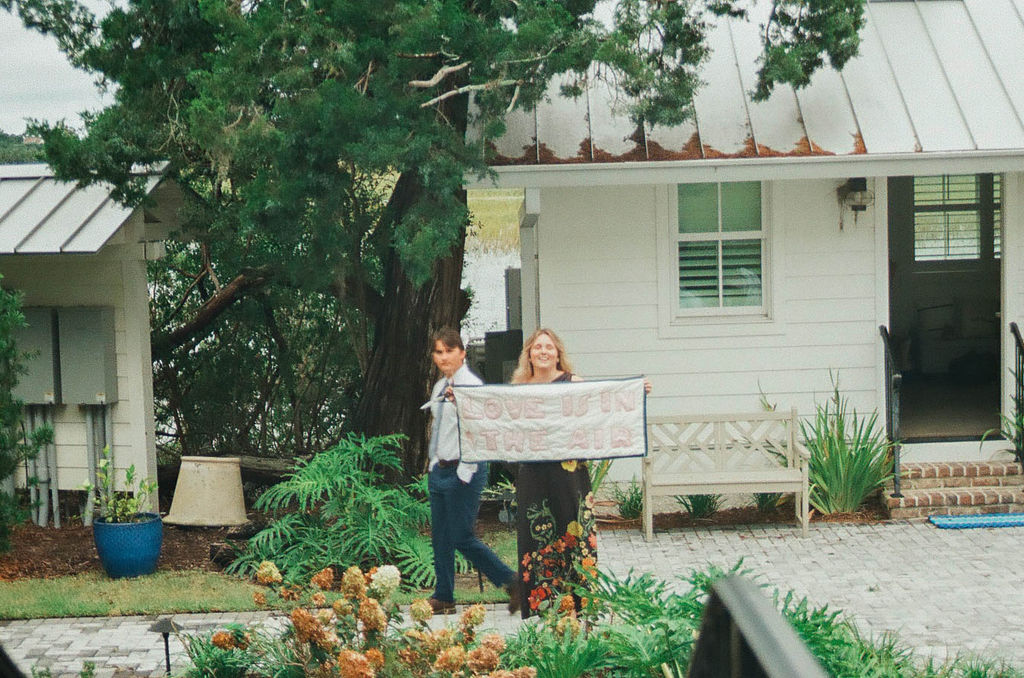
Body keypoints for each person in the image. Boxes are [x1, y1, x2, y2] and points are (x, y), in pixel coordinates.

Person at [511, 328, 650, 618]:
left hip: (568, 475)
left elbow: (602, 405)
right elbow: (495, 420)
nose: (544, 351)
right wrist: (458, 399)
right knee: (539, 537)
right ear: (529, 354)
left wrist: (636, 393)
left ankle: (578, 604)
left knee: (570, 531)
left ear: (558, 353)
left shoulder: (573, 384)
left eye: (549, 347)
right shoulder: (519, 387)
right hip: (534, 477)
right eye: (538, 347)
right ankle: (548, 607)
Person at [425, 328, 519, 614]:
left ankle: (511, 581)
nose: (444, 357)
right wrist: (432, 464)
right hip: (439, 469)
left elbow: (479, 432)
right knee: (441, 536)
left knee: (461, 536)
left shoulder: (472, 386)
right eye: (438, 352)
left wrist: (464, 472)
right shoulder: (440, 386)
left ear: (462, 353)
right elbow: (439, 428)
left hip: (465, 469)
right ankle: (444, 596)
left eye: (449, 351)